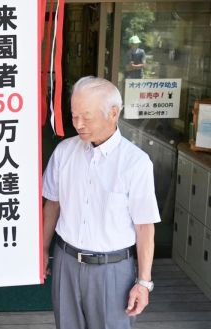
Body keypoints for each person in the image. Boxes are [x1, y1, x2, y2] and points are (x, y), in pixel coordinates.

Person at [42, 76, 160, 329]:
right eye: (74, 116)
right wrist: (42, 250)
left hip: (113, 270)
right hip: (66, 261)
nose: (78, 124)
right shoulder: (64, 152)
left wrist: (143, 282)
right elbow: (52, 204)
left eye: (87, 116)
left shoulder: (135, 162)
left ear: (113, 113)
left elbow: (144, 227)